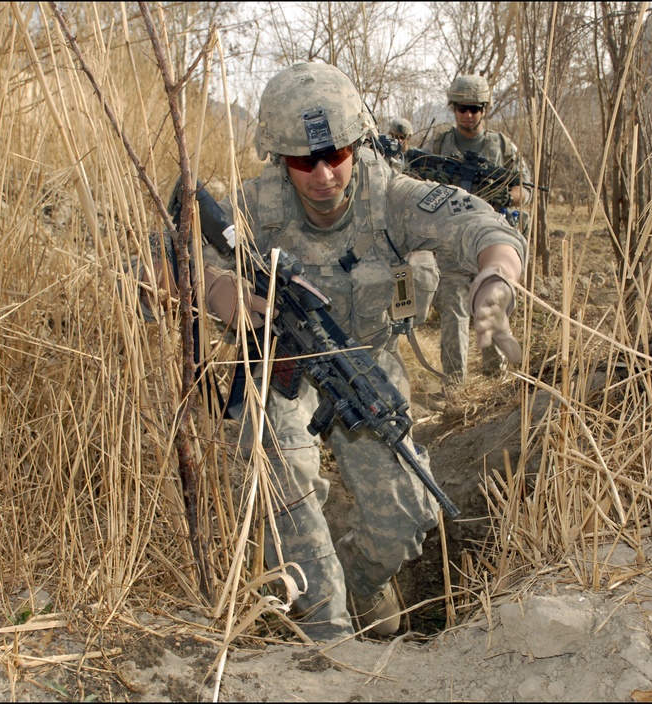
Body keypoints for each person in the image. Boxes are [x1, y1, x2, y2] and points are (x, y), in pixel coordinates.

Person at [137, 62, 526, 644]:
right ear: (279, 158)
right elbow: (153, 262)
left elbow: (485, 227)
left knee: (404, 519)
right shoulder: (253, 207)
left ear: (356, 145)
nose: (322, 174)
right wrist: (221, 290)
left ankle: (357, 582)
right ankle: (329, 640)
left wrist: (495, 281)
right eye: (303, 161)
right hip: (276, 362)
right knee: (288, 491)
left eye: (336, 155)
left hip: (362, 362)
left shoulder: (391, 194)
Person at [429, 74, 532, 383]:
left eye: (475, 108)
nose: (468, 115)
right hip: (450, 241)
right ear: (453, 108)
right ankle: (455, 388)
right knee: (454, 313)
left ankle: (496, 377)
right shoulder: (438, 144)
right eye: (462, 108)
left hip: (490, 241)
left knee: (491, 305)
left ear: (485, 109)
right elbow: (417, 181)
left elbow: (525, 190)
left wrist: (506, 195)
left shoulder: (502, 146)